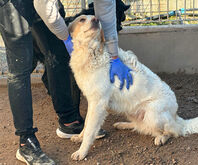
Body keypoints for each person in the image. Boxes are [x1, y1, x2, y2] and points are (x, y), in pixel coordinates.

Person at [0, 0, 133, 164]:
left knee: (59, 55)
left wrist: (114, 56)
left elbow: (105, 11)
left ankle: (68, 120)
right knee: (20, 66)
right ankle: (25, 140)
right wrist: (66, 37)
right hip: (16, 4)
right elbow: (44, 6)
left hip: (44, 3)